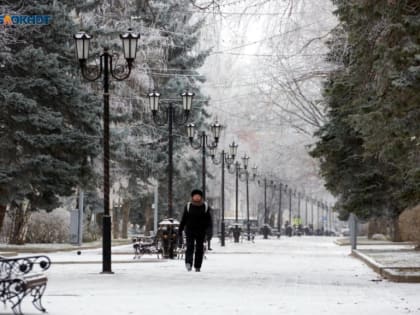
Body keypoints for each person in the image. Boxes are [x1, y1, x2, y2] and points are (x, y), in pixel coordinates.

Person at [178, 189, 212, 272]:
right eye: (195, 195)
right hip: (190, 230)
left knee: (199, 248)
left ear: (201, 197)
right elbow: (184, 218)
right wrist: (180, 228)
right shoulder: (188, 206)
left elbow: (209, 220)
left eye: (198, 196)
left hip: (201, 231)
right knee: (190, 247)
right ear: (192, 197)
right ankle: (188, 263)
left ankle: (197, 266)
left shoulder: (205, 206)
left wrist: (209, 231)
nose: (197, 197)